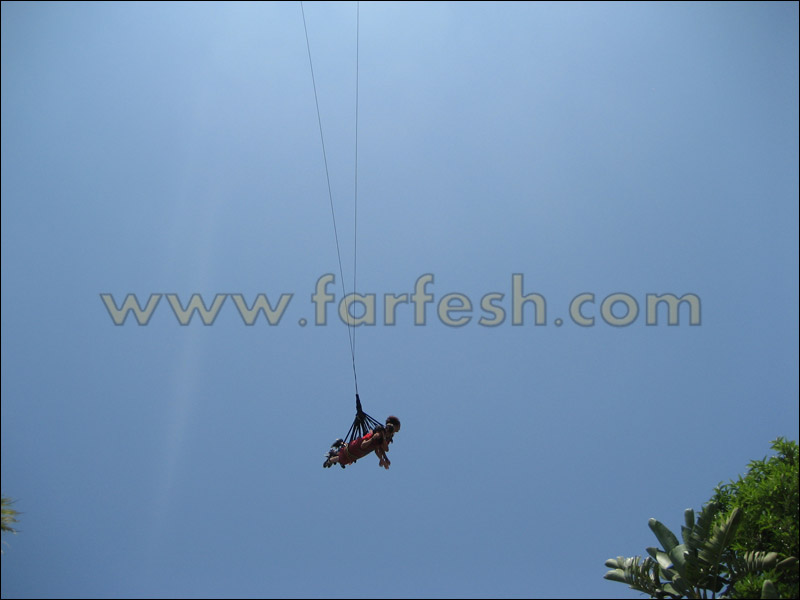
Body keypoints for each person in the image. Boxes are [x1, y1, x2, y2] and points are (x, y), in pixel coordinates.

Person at [323, 416, 401, 469]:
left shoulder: (386, 438)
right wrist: (382, 459)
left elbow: (382, 449)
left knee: (345, 459)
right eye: (398, 427)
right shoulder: (380, 432)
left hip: (361, 451)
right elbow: (365, 445)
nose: (398, 430)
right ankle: (335, 452)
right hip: (359, 446)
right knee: (344, 458)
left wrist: (384, 459)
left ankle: (339, 446)